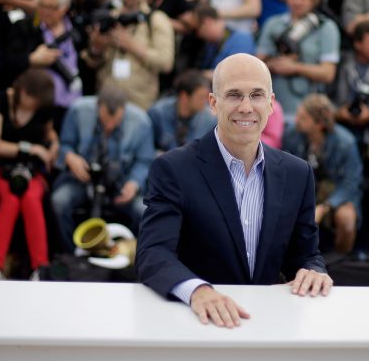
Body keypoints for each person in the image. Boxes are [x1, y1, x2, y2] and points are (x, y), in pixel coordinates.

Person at [136, 53, 331, 328]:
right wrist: (198, 292)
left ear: (271, 103)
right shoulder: (173, 169)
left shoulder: (297, 173)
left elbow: (306, 253)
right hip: (199, 325)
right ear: (213, 104)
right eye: (234, 95)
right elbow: (153, 253)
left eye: (256, 95)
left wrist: (313, 271)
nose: (246, 106)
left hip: (266, 325)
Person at [51, 84, 155, 252]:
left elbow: (144, 161)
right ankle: (70, 256)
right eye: (106, 121)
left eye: (116, 122)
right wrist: (70, 158)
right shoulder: (78, 111)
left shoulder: (141, 122)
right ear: (97, 107)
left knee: (145, 211)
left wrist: (134, 183)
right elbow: (65, 145)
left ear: (124, 109)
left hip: (121, 184)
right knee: (59, 202)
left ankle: (135, 258)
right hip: (82, 181)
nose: (110, 126)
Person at [0, 68, 58, 281]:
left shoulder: (43, 109)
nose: (34, 106)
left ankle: (40, 267)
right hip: (2, 169)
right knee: (10, 200)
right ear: (23, 91)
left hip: (32, 172)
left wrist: (54, 145)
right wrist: (30, 148)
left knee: (31, 199)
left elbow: (50, 133)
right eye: (32, 100)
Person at [85, 0, 175, 110]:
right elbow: (91, 62)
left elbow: (166, 63)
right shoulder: (108, 18)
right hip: (106, 101)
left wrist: (131, 46)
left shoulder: (156, 19)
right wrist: (97, 48)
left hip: (141, 104)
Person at [283, 94, 362, 254]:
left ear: (319, 124)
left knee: (346, 220)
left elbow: (351, 183)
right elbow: (285, 172)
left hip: (335, 192)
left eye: (303, 117)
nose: (296, 119)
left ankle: (340, 263)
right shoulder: (292, 135)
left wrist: (325, 207)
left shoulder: (345, 142)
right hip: (305, 190)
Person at [257, 0, 340, 118]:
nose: (297, 2)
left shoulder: (326, 27)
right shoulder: (273, 24)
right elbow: (258, 65)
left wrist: (296, 67)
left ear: (314, 0)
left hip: (309, 107)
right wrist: (276, 65)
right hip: (275, 104)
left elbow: (328, 73)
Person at [7, 0, 83, 125]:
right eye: (42, 6)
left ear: (64, 7)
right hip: (39, 107)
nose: (46, 12)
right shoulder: (24, 28)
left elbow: (86, 65)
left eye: (52, 7)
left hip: (73, 105)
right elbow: (8, 62)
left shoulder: (77, 30)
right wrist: (31, 60)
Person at [333, 21, 369, 140]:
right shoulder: (339, 64)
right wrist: (338, 113)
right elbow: (323, 95)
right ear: (358, 44)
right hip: (337, 127)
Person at [148, 69, 215, 153]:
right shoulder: (158, 113)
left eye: (207, 97)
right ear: (184, 96)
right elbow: (146, 149)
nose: (206, 101)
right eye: (201, 97)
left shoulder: (210, 120)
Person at [192, 3, 255, 77]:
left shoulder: (241, 39)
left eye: (197, 29)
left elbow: (238, 74)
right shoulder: (211, 45)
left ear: (207, 22)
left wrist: (200, 76)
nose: (198, 35)